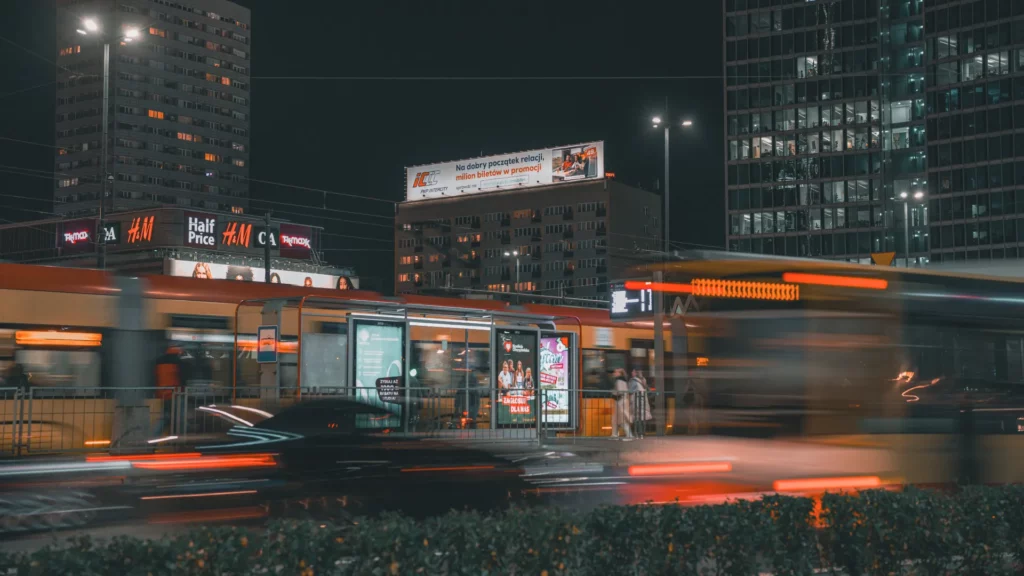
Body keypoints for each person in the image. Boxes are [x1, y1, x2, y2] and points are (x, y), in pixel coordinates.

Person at [154, 347, 184, 436]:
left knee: (165, 418)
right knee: (179, 420)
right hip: (175, 394)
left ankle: (153, 439)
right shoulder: (177, 363)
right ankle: (180, 443)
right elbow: (180, 378)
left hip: (163, 394)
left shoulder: (159, 363)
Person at [629, 370, 652, 438]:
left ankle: (638, 433)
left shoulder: (634, 381)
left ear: (635, 373)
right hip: (644, 401)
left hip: (636, 401)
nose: (631, 373)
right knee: (642, 417)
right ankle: (643, 433)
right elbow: (648, 390)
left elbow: (630, 391)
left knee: (637, 417)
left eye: (633, 372)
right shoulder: (643, 380)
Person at [611, 368, 633, 439]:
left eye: (616, 372)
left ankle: (629, 435)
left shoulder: (619, 381)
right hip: (622, 401)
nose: (614, 373)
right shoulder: (623, 380)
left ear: (620, 374)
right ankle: (614, 434)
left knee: (621, 420)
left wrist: (613, 394)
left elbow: (620, 392)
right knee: (616, 419)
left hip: (620, 402)